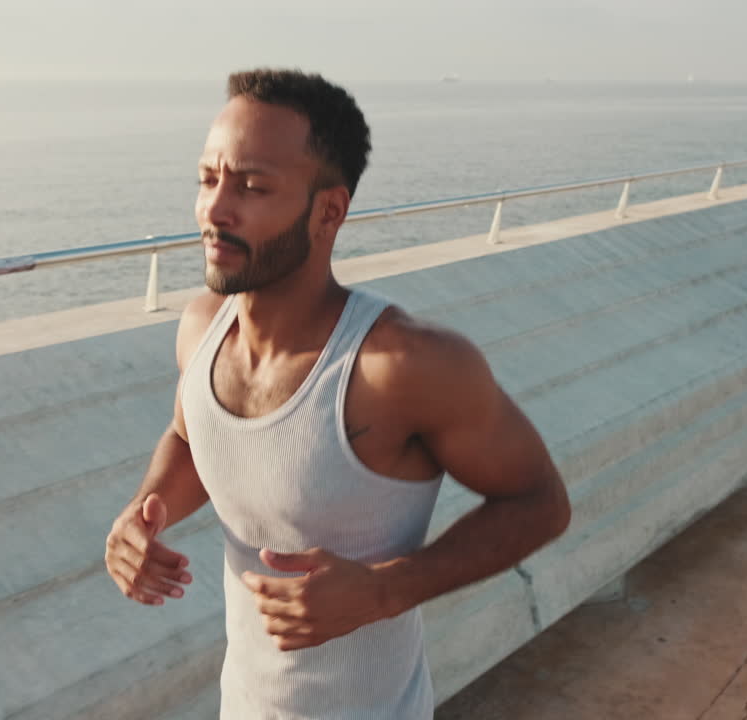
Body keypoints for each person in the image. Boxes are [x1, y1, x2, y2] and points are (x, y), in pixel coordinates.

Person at [103, 68, 571, 719]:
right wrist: (142, 513)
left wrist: (384, 592)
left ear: (329, 210)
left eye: (252, 186)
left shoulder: (400, 363)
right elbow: (193, 436)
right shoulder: (201, 328)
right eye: (208, 179)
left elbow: (540, 502)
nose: (215, 208)